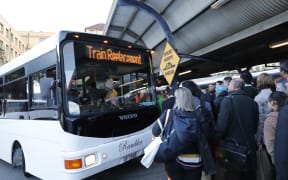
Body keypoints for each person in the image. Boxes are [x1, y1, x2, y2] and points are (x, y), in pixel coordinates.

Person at [152, 87, 202, 180]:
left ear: (176, 99)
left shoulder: (168, 113)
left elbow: (155, 131)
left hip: (173, 160)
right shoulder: (199, 114)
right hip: (194, 161)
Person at [216, 78, 259, 180]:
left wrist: (218, 140)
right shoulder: (253, 102)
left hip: (233, 148)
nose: (228, 87)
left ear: (234, 87)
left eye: (229, 85)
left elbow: (222, 127)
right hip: (249, 147)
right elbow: (255, 126)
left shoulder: (227, 101)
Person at [263, 91, 287, 164]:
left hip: (280, 159)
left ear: (273, 102)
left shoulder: (270, 120)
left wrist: (275, 160)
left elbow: (270, 144)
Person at [254, 73, 275, 145]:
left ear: (260, 82)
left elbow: (260, 119)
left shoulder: (258, 98)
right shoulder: (278, 94)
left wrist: (258, 138)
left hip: (267, 132)